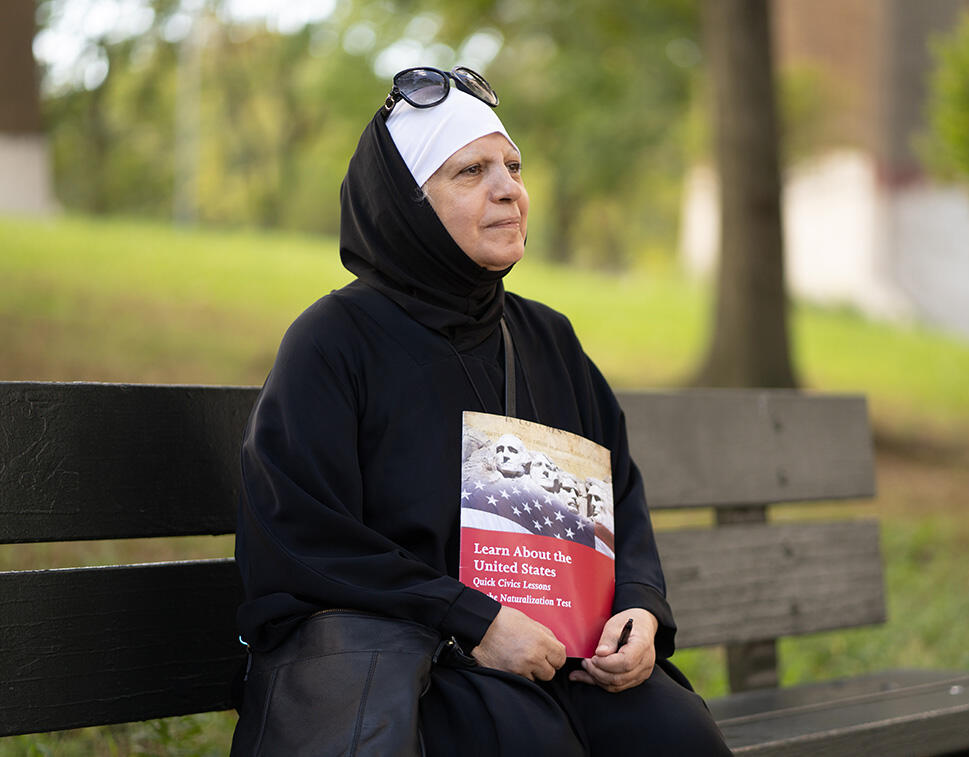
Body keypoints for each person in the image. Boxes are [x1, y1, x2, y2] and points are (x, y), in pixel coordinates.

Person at [231, 65, 731, 756]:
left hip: (564, 654)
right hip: (419, 658)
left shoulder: (547, 338)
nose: (508, 190)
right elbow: (304, 534)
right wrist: (475, 619)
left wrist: (639, 607)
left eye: (513, 166)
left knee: (673, 731)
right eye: (470, 172)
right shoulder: (334, 342)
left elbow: (618, 494)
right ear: (407, 204)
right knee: (523, 736)